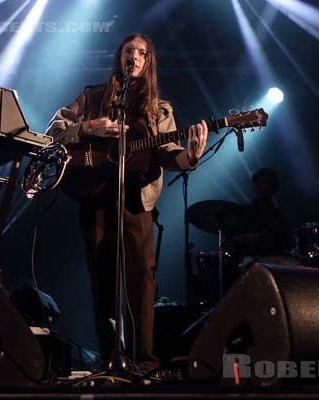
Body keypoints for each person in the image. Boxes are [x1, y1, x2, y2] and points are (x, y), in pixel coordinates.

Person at [47, 33, 208, 371]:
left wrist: (190, 156)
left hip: (136, 202)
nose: (134, 57)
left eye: (141, 53)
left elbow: (168, 155)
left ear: (148, 63)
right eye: (128, 51)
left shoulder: (159, 110)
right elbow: (53, 133)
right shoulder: (92, 97)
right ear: (119, 57)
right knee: (102, 283)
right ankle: (111, 361)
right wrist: (90, 125)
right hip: (95, 200)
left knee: (141, 284)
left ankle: (144, 363)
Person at [228, 167, 292, 259]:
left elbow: (286, 243)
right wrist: (245, 238)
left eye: (265, 182)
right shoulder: (244, 211)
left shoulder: (279, 216)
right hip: (248, 262)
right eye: (257, 182)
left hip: (272, 262)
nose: (260, 186)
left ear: (273, 187)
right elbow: (230, 240)